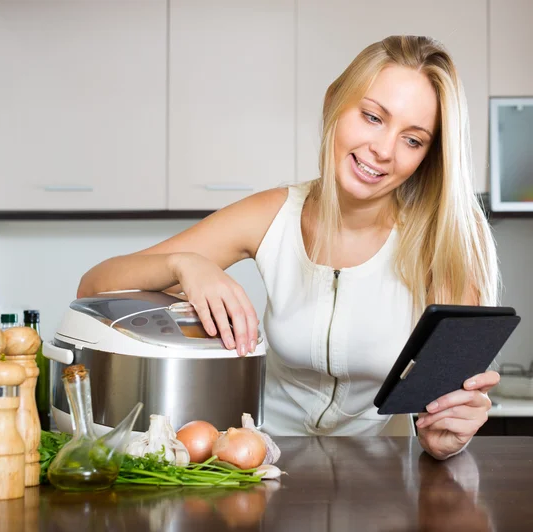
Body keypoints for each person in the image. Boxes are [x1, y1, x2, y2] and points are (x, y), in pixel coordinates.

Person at [78, 35, 500, 460]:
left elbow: (448, 414)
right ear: (333, 103)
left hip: (385, 484)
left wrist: (448, 440)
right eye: (372, 116)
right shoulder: (274, 213)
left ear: (429, 156)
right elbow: (94, 288)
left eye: (413, 140)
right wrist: (183, 265)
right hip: (266, 468)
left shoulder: (444, 243)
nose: (383, 150)